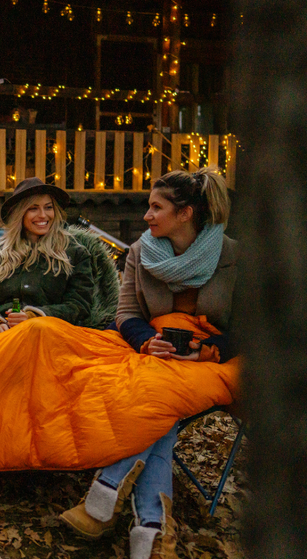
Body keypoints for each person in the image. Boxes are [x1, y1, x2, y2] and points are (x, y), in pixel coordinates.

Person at [59, 167, 237, 559]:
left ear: (185, 213)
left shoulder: (233, 255)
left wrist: (203, 351)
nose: (147, 216)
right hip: (158, 355)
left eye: (156, 208)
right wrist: (147, 342)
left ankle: (108, 491)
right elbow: (125, 313)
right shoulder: (141, 252)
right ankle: (153, 533)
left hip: (217, 359)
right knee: (156, 398)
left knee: (156, 394)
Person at [0, 177, 108, 336]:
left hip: (50, 335)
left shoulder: (75, 253)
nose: (43, 215)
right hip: (0, 335)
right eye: (33, 209)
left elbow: (79, 305)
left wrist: (34, 316)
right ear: (19, 213)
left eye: (48, 207)